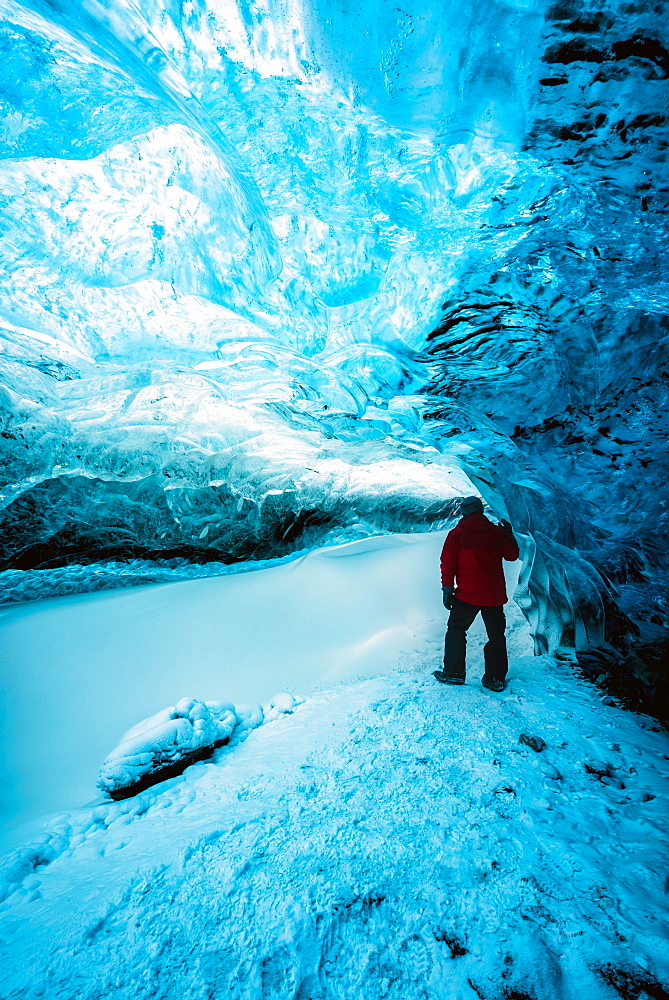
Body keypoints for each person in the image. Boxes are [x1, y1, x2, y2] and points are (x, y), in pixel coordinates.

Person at [433, 495, 519, 692]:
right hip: (494, 595)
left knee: (456, 630)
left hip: (467, 595)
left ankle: (454, 673)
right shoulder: (496, 533)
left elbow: (447, 563)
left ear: (464, 512)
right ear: (480, 511)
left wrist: (447, 589)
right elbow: (512, 556)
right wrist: (508, 534)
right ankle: (495, 679)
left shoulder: (456, 534)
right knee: (496, 636)